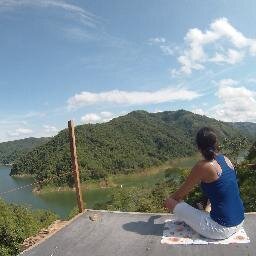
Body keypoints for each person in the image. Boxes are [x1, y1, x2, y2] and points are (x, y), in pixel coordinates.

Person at [165, 127, 245, 240]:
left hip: (221, 229)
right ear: (216, 143)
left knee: (170, 202)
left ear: (198, 147)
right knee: (205, 207)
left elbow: (178, 195)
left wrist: (170, 203)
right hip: (240, 221)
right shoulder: (226, 159)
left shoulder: (203, 166)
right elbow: (222, 190)